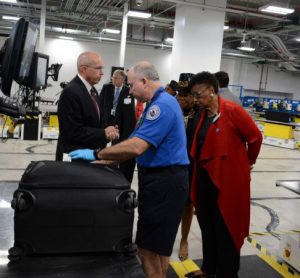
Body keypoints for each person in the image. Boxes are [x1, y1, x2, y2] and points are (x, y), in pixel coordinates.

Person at [69, 61, 189, 278]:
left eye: (131, 85)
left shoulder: (161, 106)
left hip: (164, 182)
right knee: (159, 249)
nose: (130, 91)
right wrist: (104, 161)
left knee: (146, 250)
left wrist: (96, 154)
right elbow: (133, 141)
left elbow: (136, 146)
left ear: (144, 81)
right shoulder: (157, 103)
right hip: (161, 181)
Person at [184, 72, 262, 278]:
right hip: (205, 177)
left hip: (227, 182)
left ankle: (227, 273)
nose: (195, 99)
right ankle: (209, 269)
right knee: (207, 226)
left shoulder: (233, 111)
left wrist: (247, 162)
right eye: (193, 95)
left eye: (198, 94)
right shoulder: (203, 113)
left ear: (211, 90)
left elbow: (255, 138)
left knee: (226, 228)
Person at [56, 51, 119, 161]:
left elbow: (95, 123)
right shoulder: (71, 92)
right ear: (83, 69)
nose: (102, 73)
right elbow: (73, 132)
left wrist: (108, 131)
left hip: (90, 155)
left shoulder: (92, 90)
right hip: (74, 158)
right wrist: (103, 133)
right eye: (98, 68)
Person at [176, 85, 197, 261]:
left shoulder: (198, 113)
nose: (182, 99)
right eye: (179, 95)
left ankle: (184, 239)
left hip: (191, 165)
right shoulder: (172, 108)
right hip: (171, 164)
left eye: (186, 96)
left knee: (187, 204)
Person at [114, 76, 144, 183]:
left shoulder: (152, 96)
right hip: (127, 144)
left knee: (145, 178)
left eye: (132, 84)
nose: (130, 87)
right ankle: (124, 197)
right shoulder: (125, 92)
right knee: (124, 176)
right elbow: (118, 118)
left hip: (146, 146)